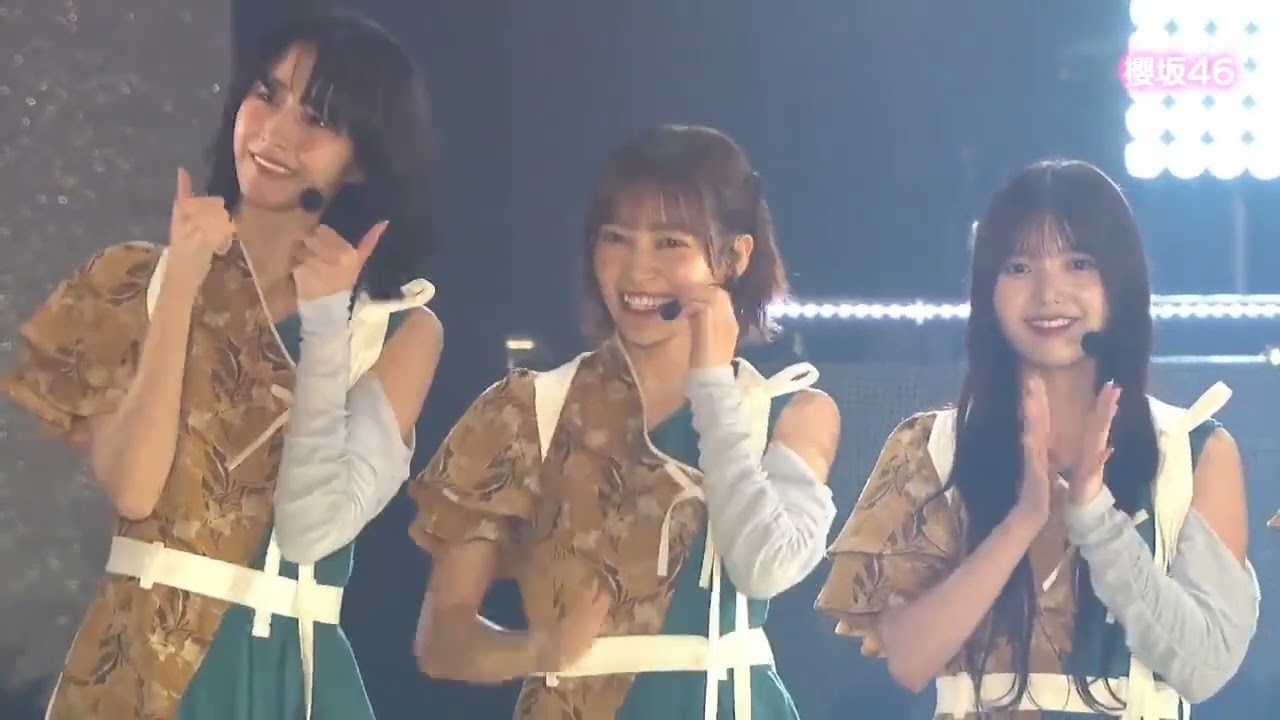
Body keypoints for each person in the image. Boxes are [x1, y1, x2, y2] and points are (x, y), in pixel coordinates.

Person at [1, 11, 442, 720]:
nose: (275, 133)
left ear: (362, 160)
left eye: (316, 119)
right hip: (134, 667)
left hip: (290, 675)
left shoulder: (395, 330)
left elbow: (311, 529)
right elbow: (135, 490)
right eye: (266, 95)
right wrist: (181, 279)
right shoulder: (131, 281)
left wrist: (326, 322)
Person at [408, 124, 842, 719]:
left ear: (734, 257)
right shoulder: (526, 410)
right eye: (616, 239)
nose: (637, 271)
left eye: (670, 243)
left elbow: (764, 566)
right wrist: (540, 649)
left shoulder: (791, 412)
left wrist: (713, 388)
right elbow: (442, 639)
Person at [816, 160, 1259, 718]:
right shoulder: (930, 447)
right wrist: (1023, 521)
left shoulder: (1193, 453)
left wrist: (1096, 521)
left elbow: (1204, 668)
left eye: (1078, 264)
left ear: (1120, 283)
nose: (1049, 293)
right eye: (1020, 267)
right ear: (988, 290)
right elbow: (909, 660)